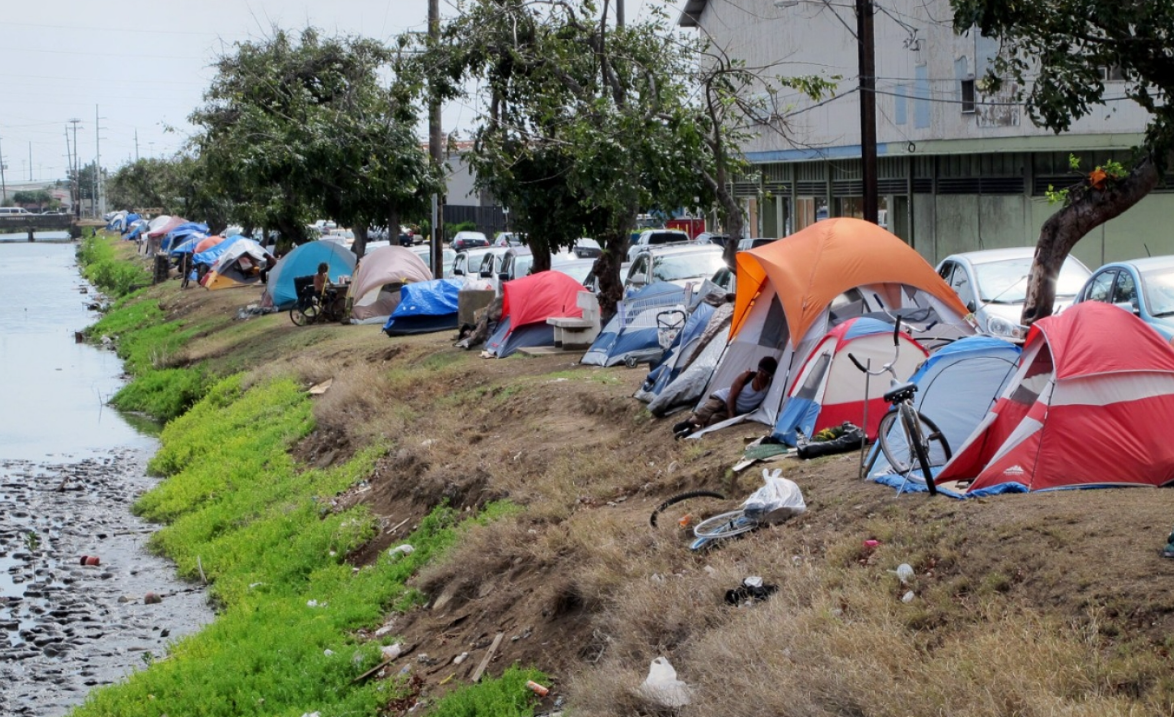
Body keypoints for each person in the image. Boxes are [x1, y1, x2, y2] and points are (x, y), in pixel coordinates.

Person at [672, 356, 778, 438]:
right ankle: (689, 423)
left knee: (713, 422)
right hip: (722, 398)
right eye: (760, 371)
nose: (762, 375)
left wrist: (732, 417)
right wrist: (731, 417)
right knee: (706, 412)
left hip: (736, 410)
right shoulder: (746, 377)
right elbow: (731, 396)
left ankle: (690, 432)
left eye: (765, 374)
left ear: (770, 375)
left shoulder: (770, 386)